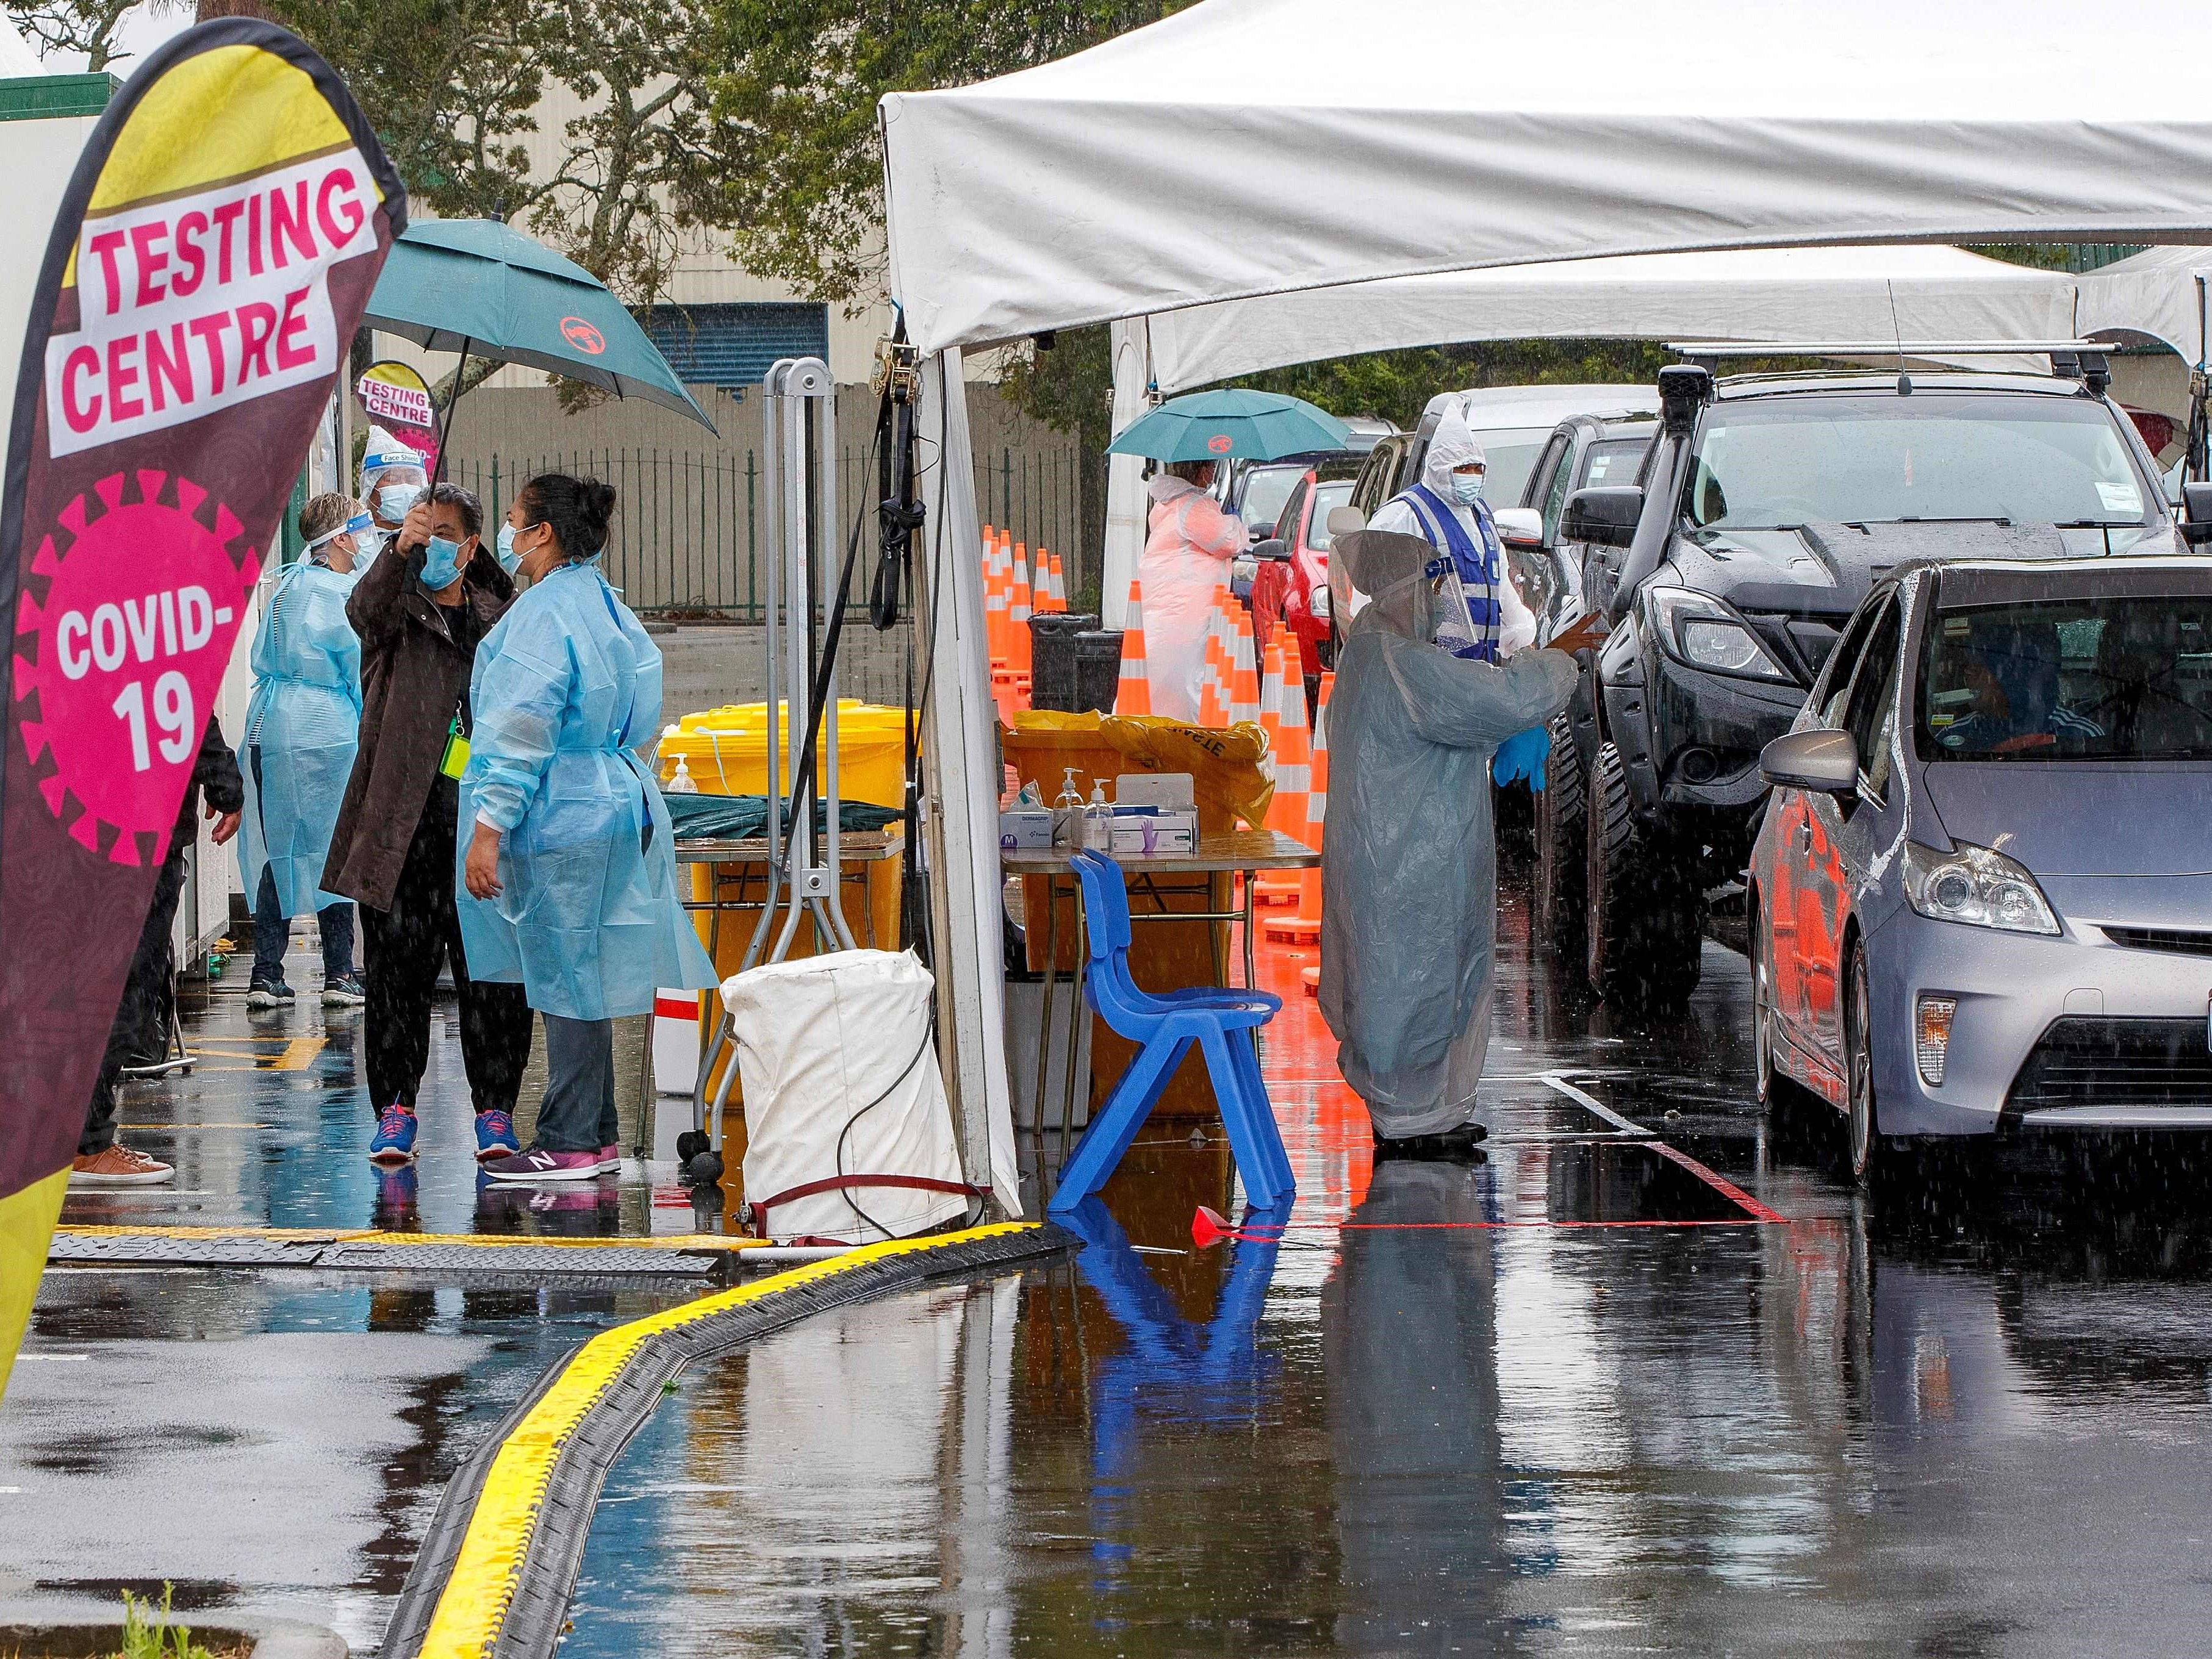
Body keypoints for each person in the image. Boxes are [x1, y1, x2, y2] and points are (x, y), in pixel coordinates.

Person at [458, 473, 718, 1181]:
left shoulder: (543, 614)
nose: (508, 535)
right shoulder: (605, 602)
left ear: (541, 531)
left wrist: (488, 829)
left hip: (560, 811)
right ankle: (595, 1133)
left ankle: (569, 1138)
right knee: (586, 971)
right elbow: (638, 701)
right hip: (611, 799)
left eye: (514, 520)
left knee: (567, 971)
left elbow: (518, 731)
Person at [1318, 527, 1603, 1153]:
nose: (1436, 600)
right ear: (1400, 591)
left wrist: (1546, 657)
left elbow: (1470, 700)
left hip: (1389, 862)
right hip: (1408, 867)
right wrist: (1560, 658)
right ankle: (1410, 1121)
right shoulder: (1398, 663)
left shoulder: (1371, 656)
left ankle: (1424, 1114)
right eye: (1428, 586)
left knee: (1405, 985)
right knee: (1415, 985)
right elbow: (1493, 699)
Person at [325, 482, 534, 1167]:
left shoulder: (504, 617)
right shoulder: (396, 603)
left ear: (472, 544)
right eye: (426, 528)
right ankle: (394, 1110)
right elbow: (362, 610)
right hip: (400, 825)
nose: (434, 541)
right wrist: (399, 549)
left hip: (481, 826)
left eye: (447, 532)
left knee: (492, 977)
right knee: (395, 975)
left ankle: (495, 1110)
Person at [73, 723, 243, 1184]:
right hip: (140, 822)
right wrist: (225, 784)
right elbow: (185, 700)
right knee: (124, 989)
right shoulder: (150, 651)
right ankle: (85, 1142)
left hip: (83, 817)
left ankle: (78, 1134)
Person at [1367, 410, 1550, 784]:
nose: (1470, 478)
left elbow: (1500, 590)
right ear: (1439, 467)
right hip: (1426, 688)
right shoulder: (1403, 518)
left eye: (1476, 469)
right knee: (1428, 791)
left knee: (1466, 793)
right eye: (1461, 469)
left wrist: (1521, 646)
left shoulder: (1480, 516)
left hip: (1474, 681)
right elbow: (1375, 606)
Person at [239, 493, 370, 1009]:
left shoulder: (284, 587)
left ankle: (266, 972)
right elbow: (359, 671)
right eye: (356, 531)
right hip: (327, 731)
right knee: (332, 850)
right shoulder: (346, 594)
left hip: (268, 728)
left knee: (280, 850)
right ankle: (340, 972)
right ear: (340, 537)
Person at [1138, 458, 1244, 720]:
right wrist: (1236, 522)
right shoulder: (1194, 507)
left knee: (1158, 688)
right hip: (1189, 618)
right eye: (1210, 469)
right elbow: (1228, 540)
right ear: (1204, 473)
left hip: (1163, 617)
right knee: (1189, 688)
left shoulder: (1168, 507)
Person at [359, 427, 428, 542]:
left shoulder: (430, 540)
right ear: (370, 486)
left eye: (411, 478)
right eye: (392, 479)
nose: (404, 486)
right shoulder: (351, 542)